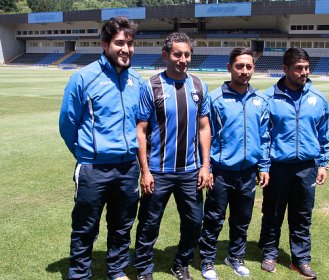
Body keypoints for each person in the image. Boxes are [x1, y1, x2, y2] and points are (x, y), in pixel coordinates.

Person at [59, 16, 142, 280]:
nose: (125, 49)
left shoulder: (137, 81)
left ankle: (116, 271)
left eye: (129, 43)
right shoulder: (83, 78)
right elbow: (67, 125)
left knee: (122, 226)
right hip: (93, 168)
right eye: (119, 43)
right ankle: (80, 274)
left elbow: (140, 127)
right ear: (104, 44)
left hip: (128, 168)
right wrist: (86, 154)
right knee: (85, 227)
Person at [134, 32, 211, 280]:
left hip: (190, 171)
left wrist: (205, 166)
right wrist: (145, 171)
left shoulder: (199, 85)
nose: (183, 59)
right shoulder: (151, 86)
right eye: (178, 54)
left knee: (194, 222)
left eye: (187, 54)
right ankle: (144, 268)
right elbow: (141, 130)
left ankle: (181, 263)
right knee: (148, 223)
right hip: (158, 171)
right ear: (166, 55)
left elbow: (204, 128)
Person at [258, 47, 329, 279]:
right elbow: (263, 136)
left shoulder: (318, 98)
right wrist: (264, 165)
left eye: (307, 68)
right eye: (298, 68)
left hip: (306, 167)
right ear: (285, 69)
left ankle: (301, 259)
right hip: (277, 167)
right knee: (273, 212)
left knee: (302, 215)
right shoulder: (268, 98)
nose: (304, 72)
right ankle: (270, 253)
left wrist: (323, 163)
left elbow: (324, 134)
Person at [198, 47, 270, 280]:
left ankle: (235, 257)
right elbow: (205, 135)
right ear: (230, 68)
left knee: (242, 219)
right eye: (240, 66)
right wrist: (206, 166)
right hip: (221, 172)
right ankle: (207, 260)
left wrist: (264, 166)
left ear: (253, 69)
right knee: (214, 218)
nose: (245, 71)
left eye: (249, 66)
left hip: (248, 172)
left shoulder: (259, 100)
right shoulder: (215, 99)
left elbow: (264, 136)